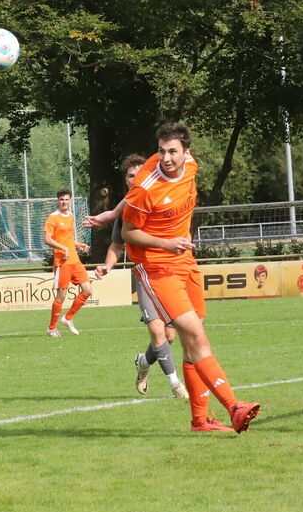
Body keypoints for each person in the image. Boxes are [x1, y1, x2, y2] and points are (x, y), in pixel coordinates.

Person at [121, 122, 260, 433]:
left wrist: (112, 211)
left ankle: (200, 421)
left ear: (187, 152)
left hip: (185, 262)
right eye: (161, 151)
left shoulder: (191, 166)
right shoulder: (146, 186)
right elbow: (129, 232)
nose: (166, 158)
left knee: (191, 341)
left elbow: (129, 203)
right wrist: (166, 243)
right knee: (197, 336)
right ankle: (234, 407)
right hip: (157, 267)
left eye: (173, 152)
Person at [94, 154, 187, 399]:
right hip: (145, 274)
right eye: (130, 176)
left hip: (168, 272)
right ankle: (176, 385)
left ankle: (144, 362)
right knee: (157, 331)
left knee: (169, 335)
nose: (135, 179)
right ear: (126, 180)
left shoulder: (161, 200)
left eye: (139, 174)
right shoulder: (127, 211)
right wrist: (107, 266)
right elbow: (116, 245)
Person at [44, 188, 92, 337]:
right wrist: (63, 248)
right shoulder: (53, 218)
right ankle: (52, 327)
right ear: (57, 201)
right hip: (62, 262)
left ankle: (68, 318)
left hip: (75, 260)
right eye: (61, 199)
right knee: (61, 296)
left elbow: (69, 239)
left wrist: (78, 245)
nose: (64, 202)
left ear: (70, 201)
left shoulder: (70, 216)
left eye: (66, 199)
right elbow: (47, 239)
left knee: (87, 290)